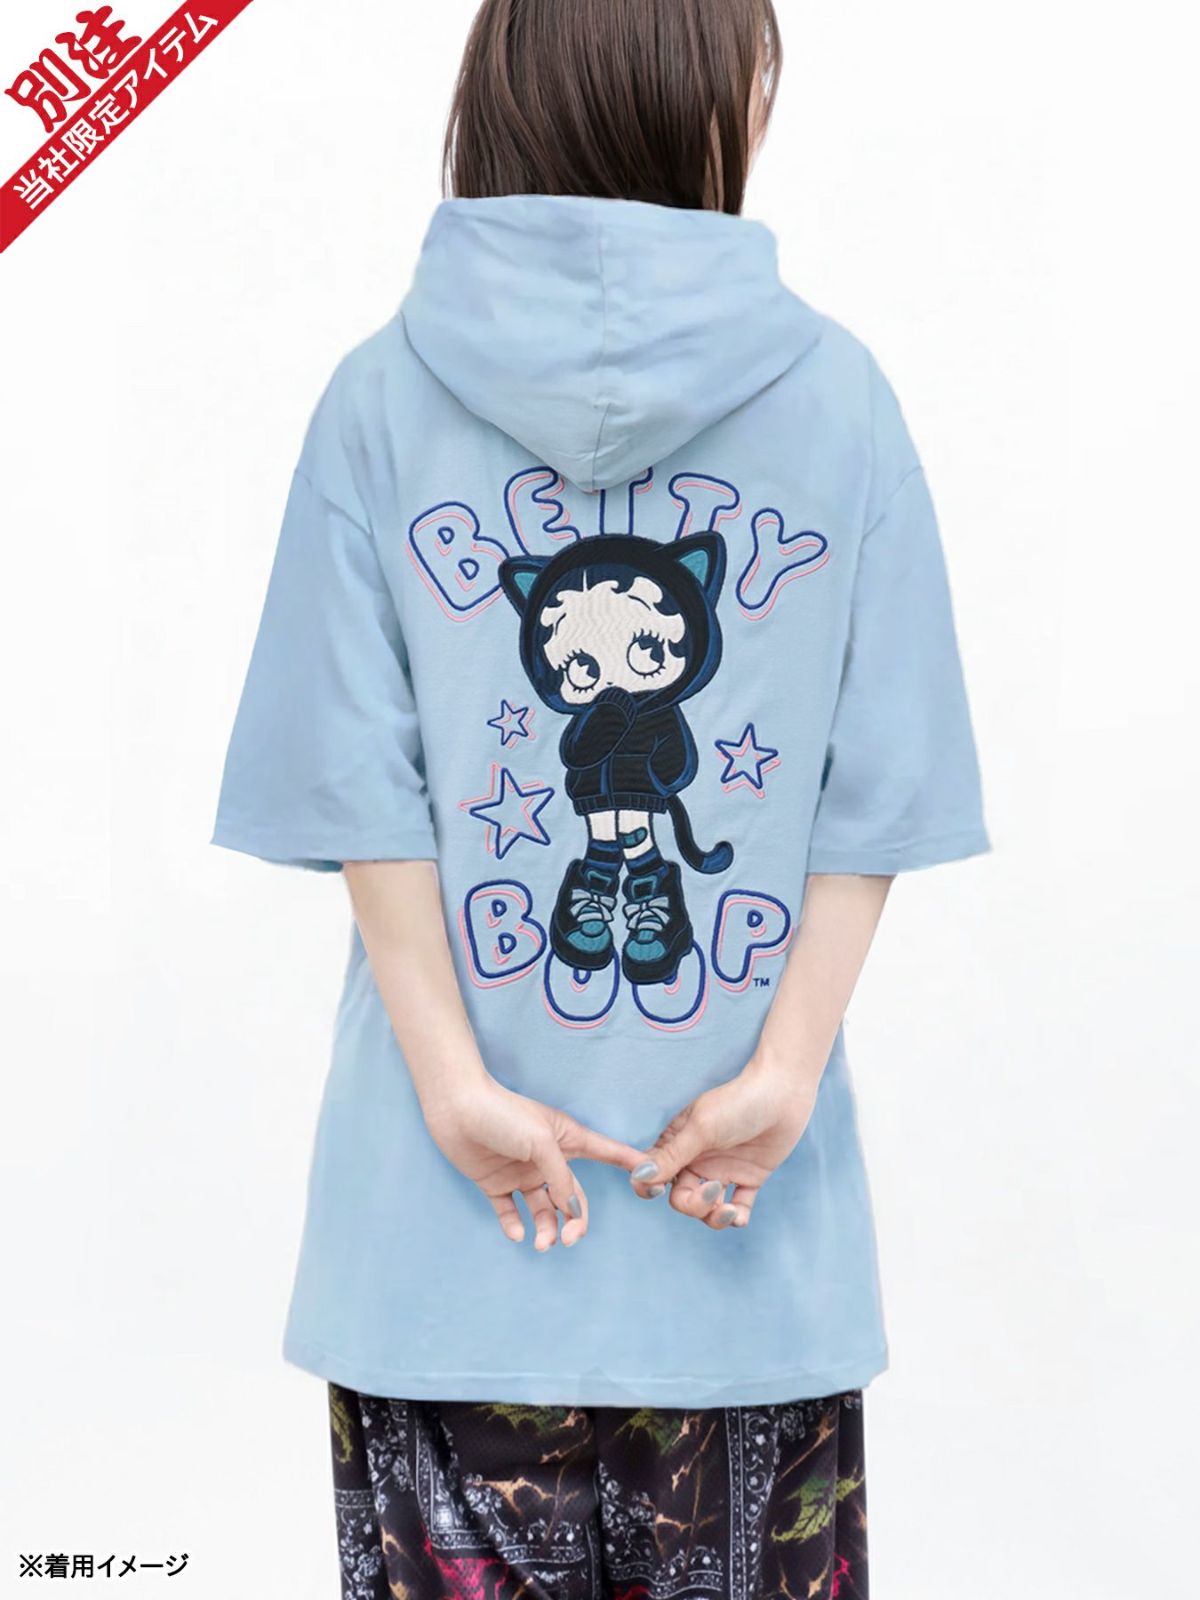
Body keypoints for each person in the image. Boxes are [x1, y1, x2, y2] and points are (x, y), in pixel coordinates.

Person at [212, 1, 989, 1594]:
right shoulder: (842, 401)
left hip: (439, 1254)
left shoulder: (378, 399)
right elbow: (883, 788)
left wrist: (454, 1089)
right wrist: (782, 1073)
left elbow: (362, 791)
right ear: (698, 102)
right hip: (742, 1250)